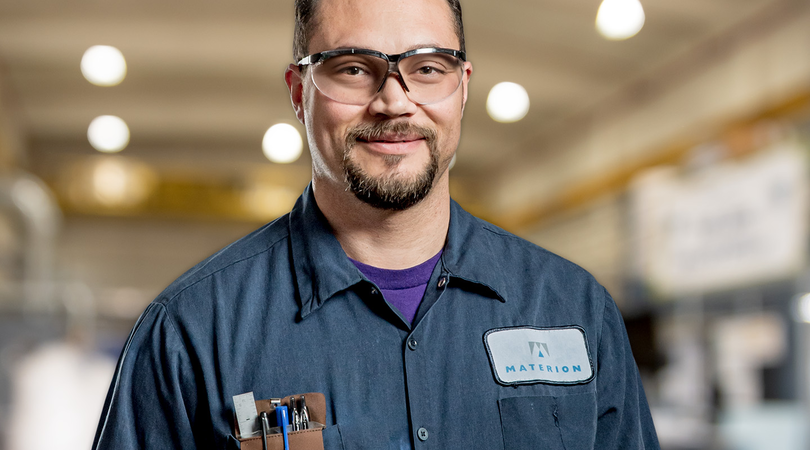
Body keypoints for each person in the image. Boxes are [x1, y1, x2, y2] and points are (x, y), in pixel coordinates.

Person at [92, 0, 660, 448]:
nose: (394, 102)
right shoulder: (191, 332)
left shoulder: (575, 309)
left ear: (463, 88)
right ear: (298, 92)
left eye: (428, 68)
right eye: (355, 68)